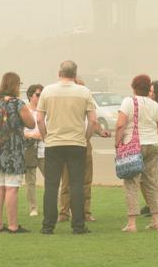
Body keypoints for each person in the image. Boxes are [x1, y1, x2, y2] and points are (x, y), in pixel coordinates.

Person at [37, 60, 98, 235]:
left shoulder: (48, 91)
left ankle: (48, 225)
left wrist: (45, 136)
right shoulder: (84, 92)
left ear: (59, 73)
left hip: (54, 143)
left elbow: (40, 119)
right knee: (76, 184)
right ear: (75, 74)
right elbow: (93, 120)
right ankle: (78, 225)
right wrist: (85, 138)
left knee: (51, 185)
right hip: (76, 143)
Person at [115, 75, 158, 232]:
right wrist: (157, 139)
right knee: (152, 182)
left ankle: (132, 223)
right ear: (148, 89)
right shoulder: (154, 105)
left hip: (134, 145)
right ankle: (156, 221)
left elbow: (120, 124)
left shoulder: (128, 102)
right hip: (153, 144)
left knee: (131, 182)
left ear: (133, 87)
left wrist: (117, 143)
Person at [0, 72, 35, 233]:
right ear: (15, 85)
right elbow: (31, 123)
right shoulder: (17, 104)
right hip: (13, 150)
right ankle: (13, 225)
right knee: (12, 188)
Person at [57, 76, 110, 223]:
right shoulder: (66, 103)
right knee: (67, 181)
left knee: (85, 181)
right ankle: (64, 212)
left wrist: (100, 131)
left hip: (83, 144)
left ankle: (85, 212)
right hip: (71, 142)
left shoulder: (88, 100)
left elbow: (93, 121)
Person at [139, 79, 158, 216]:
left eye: (152, 91)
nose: (149, 93)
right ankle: (151, 204)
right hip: (151, 143)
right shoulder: (151, 105)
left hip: (157, 145)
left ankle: (157, 206)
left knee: (155, 178)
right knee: (145, 179)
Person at [24, 84, 45, 217]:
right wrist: (32, 135)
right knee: (30, 181)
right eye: (38, 95)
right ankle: (33, 208)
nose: (40, 97)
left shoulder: (45, 110)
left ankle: (54, 206)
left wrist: (43, 134)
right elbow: (20, 130)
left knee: (51, 179)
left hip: (44, 149)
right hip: (29, 148)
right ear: (31, 96)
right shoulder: (25, 110)